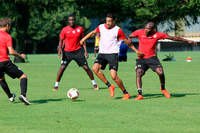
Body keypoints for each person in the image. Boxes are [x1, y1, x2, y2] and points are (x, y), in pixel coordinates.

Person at [129, 22, 197, 100]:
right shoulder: (139, 32)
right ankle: (140, 94)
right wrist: (135, 50)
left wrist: (187, 41)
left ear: (153, 30)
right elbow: (129, 37)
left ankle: (163, 88)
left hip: (152, 58)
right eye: (146, 28)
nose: (146, 30)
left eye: (148, 29)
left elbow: (173, 38)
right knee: (139, 72)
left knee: (160, 72)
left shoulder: (158, 34)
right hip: (141, 59)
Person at [80, 13, 142, 100]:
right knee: (95, 69)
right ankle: (110, 86)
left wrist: (136, 51)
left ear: (114, 21)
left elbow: (127, 42)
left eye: (109, 21)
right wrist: (83, 39)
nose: (108, 23)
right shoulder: (101, 27)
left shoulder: (118, 30)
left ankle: (126, 93)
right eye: (107, 21)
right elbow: (93, 33)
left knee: (114, 76)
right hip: (102, 54)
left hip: (113, 55)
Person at [54, 14, 99, 91]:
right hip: (67, 52)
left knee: (86, 68)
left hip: (78, 52)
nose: (71, 21)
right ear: (68, 21)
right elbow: (61, 41)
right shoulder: (64, 30)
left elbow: (83, 40)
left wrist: (85, 51)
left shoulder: (80, 29)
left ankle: (94, 84)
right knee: (62, 68)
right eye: (70, 20)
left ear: (75, 20)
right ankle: (56, 85)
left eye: (73, 20)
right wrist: (60, 51)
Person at [0, 18, 31, 105]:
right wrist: (21, 56)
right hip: (4, 62)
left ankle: (10, 96)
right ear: (7, 26)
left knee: (1, 79)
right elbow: (11, 52)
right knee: (23, 76)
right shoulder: (7, 36)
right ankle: (23, 95)